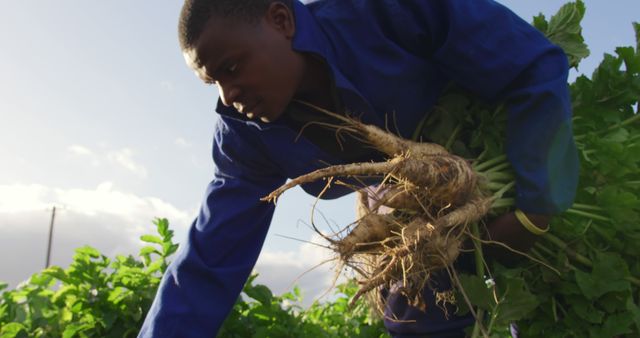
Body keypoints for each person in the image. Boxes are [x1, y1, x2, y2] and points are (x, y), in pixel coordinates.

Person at [139, 0, 578, 337]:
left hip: (519, 163)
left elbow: (532, 66)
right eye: (212, 82)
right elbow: (209, 257)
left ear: (281, 20)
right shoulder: (244, 135)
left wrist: (535, 211)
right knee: (413, 316)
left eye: (232, 68)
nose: (228, 94)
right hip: (411, 216)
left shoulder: (386, 12)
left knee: (558, 300)